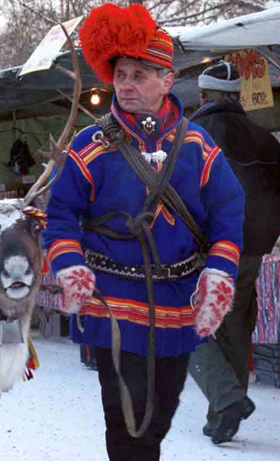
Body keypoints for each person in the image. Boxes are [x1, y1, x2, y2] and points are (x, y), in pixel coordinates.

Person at [43, 4, 244, 460]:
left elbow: (229, 211)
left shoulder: (197, 145)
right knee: (125, 421)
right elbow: (60, 216)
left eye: (139, 75)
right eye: (121, 76)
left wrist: (219, 273)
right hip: (113, 304)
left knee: (157, 421)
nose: (127, 85)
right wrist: (70, 264)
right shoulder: (89, 145)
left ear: (167, 81)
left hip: (177, 304)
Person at [187, 61, 280, 444]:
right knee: (235, 325)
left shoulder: (190, 138)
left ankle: (227, 402)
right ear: (239, 95)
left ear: (204, 96)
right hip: (252, 250)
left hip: (203, 250)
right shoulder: (266, 140)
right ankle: (223, 417)